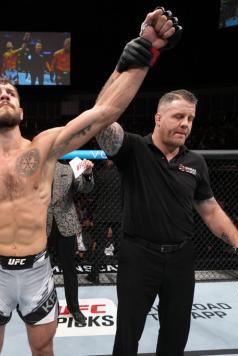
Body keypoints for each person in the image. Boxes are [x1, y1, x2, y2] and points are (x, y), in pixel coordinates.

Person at [0, 7, 179, 355]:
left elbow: (104, 113)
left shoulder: (45, 147)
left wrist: (145, 51)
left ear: (22, 112)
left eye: (10, 91)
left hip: (36, 271)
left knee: (43, 350)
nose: (4, 94)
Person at [95, 88, 238, 355]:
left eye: (190, 119)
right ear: (158, 118)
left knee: (176, 335)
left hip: (181, 258)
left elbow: (209, 209)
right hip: (138, 256)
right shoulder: (133, 148)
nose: (185, 124)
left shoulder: (195, 162)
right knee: (128, 334)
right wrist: (123, 74)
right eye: (178, 116)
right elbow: (101, 123)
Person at [47, 159, 94, 326]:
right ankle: (45, 307)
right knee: (40, 271)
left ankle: (74, 308)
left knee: (69, 270)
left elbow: (85, 187)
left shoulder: (69, 167)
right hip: (40, 226)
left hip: (65, 226)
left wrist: (87, 174)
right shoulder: (35, 169)